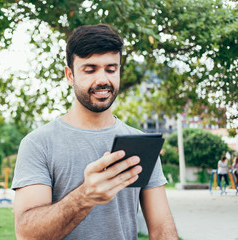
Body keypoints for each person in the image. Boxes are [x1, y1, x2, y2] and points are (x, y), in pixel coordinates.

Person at [12, 24, 178, 240]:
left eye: (111, 69)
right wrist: (85, 196)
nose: (102, 80)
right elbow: (26, 234)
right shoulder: (37, 144)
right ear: (70, 75)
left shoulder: (140, 143)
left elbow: (161, 229)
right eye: (90, 69)